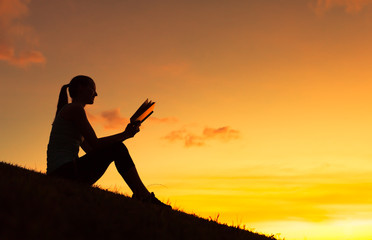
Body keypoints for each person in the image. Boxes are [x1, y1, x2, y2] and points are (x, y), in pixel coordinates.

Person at [47, 75, 170, 208]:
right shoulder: (76, 109)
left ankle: (142, 194)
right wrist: (125, 134)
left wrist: (125, 135)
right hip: (64, 173)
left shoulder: (73, 111)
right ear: (81, 88)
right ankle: (143, 195)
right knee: (118, 148)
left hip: (65, 172)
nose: (96, 94)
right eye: (93, 89)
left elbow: (90, 149)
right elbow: (96, 144)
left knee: (117, 148)